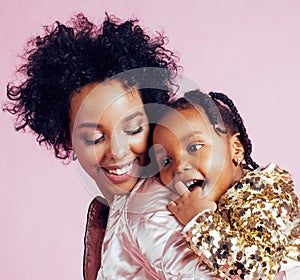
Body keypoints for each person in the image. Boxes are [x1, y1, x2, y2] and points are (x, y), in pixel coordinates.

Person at [4, 14, 213, 279]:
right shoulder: (117, 206)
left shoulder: (148, 208)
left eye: (133, 129)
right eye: (94, 137)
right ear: (67, 137)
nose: (117, 151)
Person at [152, 90, 300, 280]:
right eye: (165, 161)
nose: (180, 166)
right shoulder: (227, 198)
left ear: (236, 149)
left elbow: (255, 271)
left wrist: (199, 219)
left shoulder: (261, 197)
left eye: (194, 147)